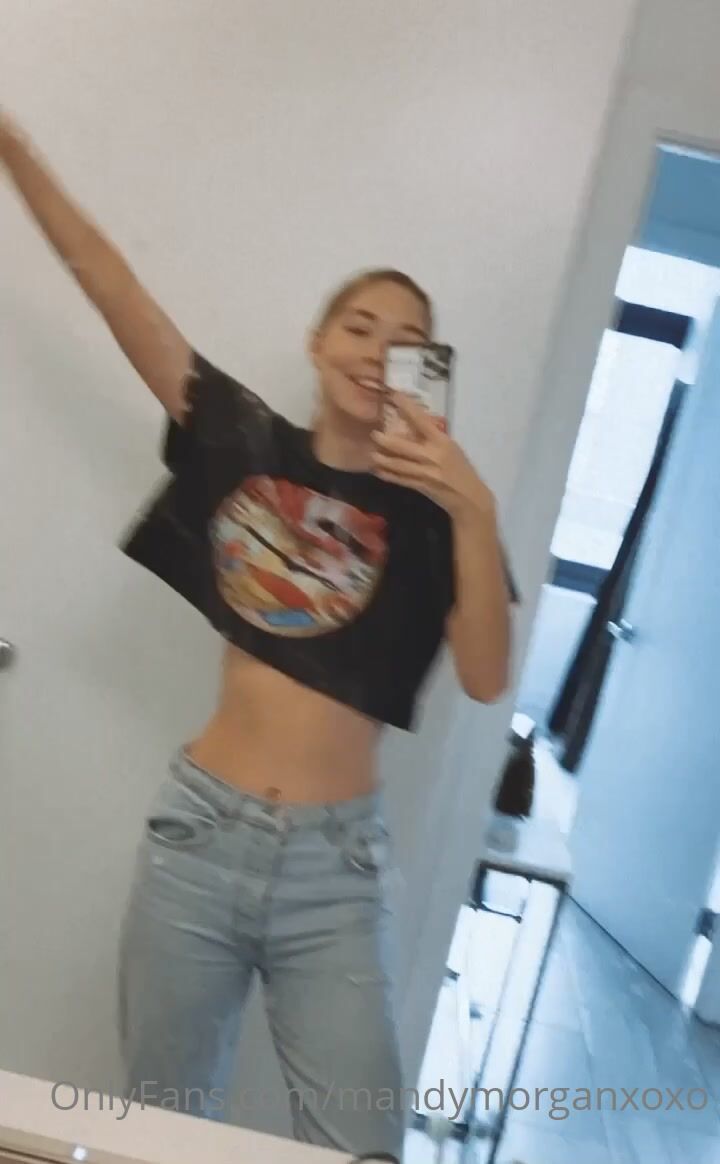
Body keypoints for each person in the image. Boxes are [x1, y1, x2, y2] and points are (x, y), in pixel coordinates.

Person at [0, 110, 519, 1159]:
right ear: (319, 344)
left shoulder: (439, 516)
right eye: (361, 326)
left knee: (361, 1141)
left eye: (407, 341)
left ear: (429, 370)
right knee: (162, 1132)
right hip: (199, 840)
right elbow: (113, 287)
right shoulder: (243, 444)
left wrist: (475, 508)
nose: (379, 352)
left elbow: (483, 676)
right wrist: (13, 146)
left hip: (339, 872)